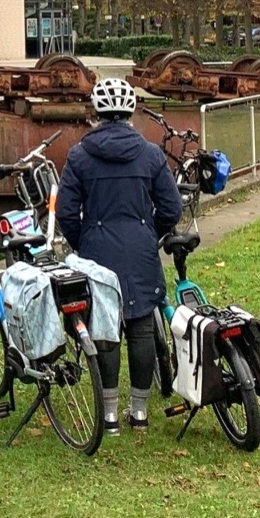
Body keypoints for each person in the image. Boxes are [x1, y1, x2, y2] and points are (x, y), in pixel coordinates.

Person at [56, 77, 181, 435]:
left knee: (105, 330)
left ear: (96, 112)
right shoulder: (151, 153)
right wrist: (148, 233)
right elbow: (171, 209)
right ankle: (139, 412)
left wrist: (85, 241)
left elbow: (67, 212)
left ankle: (108, 415)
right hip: (140, 249)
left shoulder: (80, 155)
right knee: (141, 326)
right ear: (130, 112)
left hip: (97, 250)